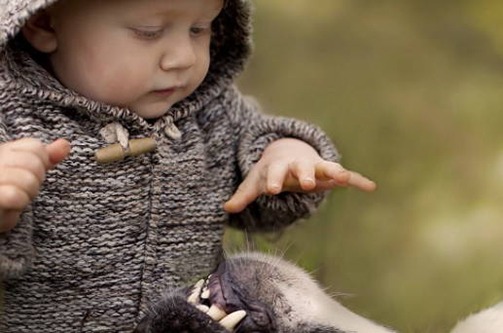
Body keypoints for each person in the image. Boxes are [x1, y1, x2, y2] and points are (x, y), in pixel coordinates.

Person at [0, 0, 376, 331]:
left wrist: (284, 158)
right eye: (149, 32)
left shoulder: (208, 113)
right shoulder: (11, 121)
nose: (184, 57)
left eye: (199, 29)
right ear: (44, 23)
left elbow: (258, 152)